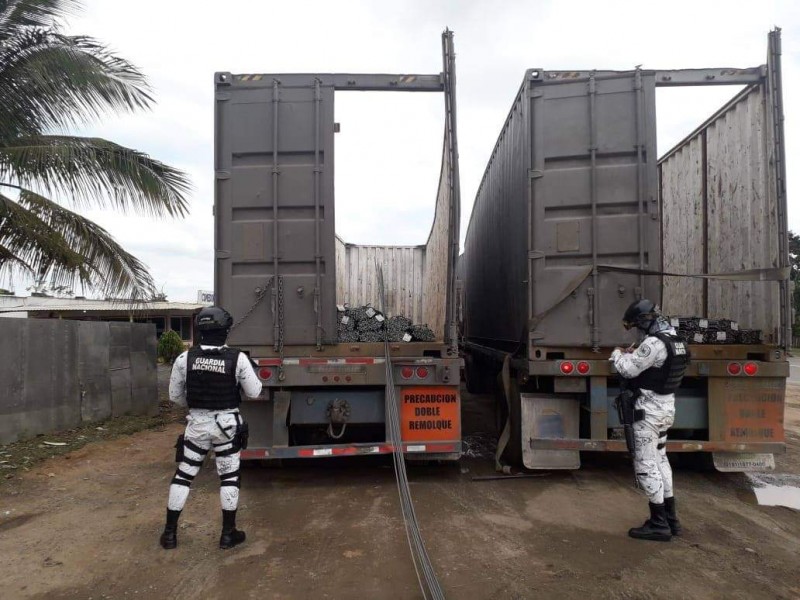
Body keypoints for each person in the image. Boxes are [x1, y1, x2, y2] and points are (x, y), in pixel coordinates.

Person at [159, 306, 263, 550]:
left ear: (200, 330)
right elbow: (255, 392)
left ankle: (169, 535)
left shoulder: (185, 358)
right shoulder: (237, 358)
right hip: (227, 426)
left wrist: (197, 407)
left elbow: (175, 396)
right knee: (229, 478)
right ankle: (228, 535)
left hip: (196, 425)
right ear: (226, 330)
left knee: (184, 476)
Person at [610, 299, 689, 542]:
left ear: (646, 322)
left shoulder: (654, 344)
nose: (639, 331)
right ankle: (671, 519)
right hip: (666, 408)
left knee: (645, 464)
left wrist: (616, 355)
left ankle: (658, 523)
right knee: (661, 459)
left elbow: (627, 370)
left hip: (648, 413)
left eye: (638, 326)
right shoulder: (677, 341)